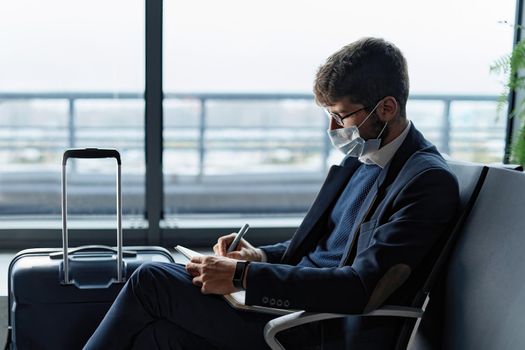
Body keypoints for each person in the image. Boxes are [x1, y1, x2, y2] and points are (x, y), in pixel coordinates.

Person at [84, 37, 459, 349]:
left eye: (340, 115)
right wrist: (259, 255)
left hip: (317, 326)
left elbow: (362, 287)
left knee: (152, 280)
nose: (332, 127)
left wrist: (244, 276)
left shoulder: (425, 182)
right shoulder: (363, 158)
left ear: (387, 108)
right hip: (289, 305)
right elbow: (318, 248)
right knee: (158, 338)